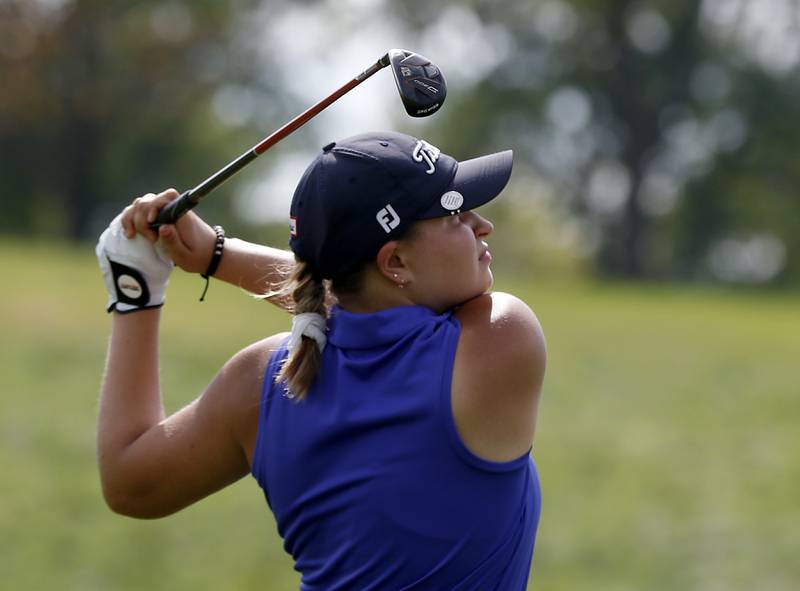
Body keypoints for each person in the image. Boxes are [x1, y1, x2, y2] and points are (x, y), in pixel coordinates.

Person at [95, 131, 547, 590]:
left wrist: (137, 291)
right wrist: (218, 255)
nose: (481, 224)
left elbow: (131, 482)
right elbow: (359, 313)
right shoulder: (502, 337)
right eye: (453, 212)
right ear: (395, 263)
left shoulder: (261, 380)